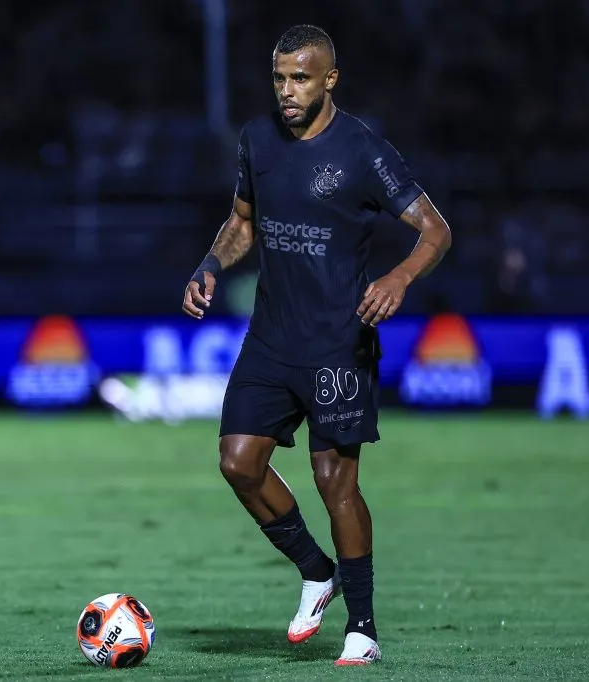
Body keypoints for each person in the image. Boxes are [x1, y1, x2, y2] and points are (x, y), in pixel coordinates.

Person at [181, 24, 452, 666]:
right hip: (271, 338)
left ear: (330, 78)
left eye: (300, 78)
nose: (287, 91)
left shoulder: (363, 150)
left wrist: (398, 276)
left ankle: (363, 628)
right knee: (237, 462)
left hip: (338, 342)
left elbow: (434, 229)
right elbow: (243, 222)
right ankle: (314, 570)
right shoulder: (257, 139)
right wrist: (211, 266)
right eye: (279, 78)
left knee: (336, 483)